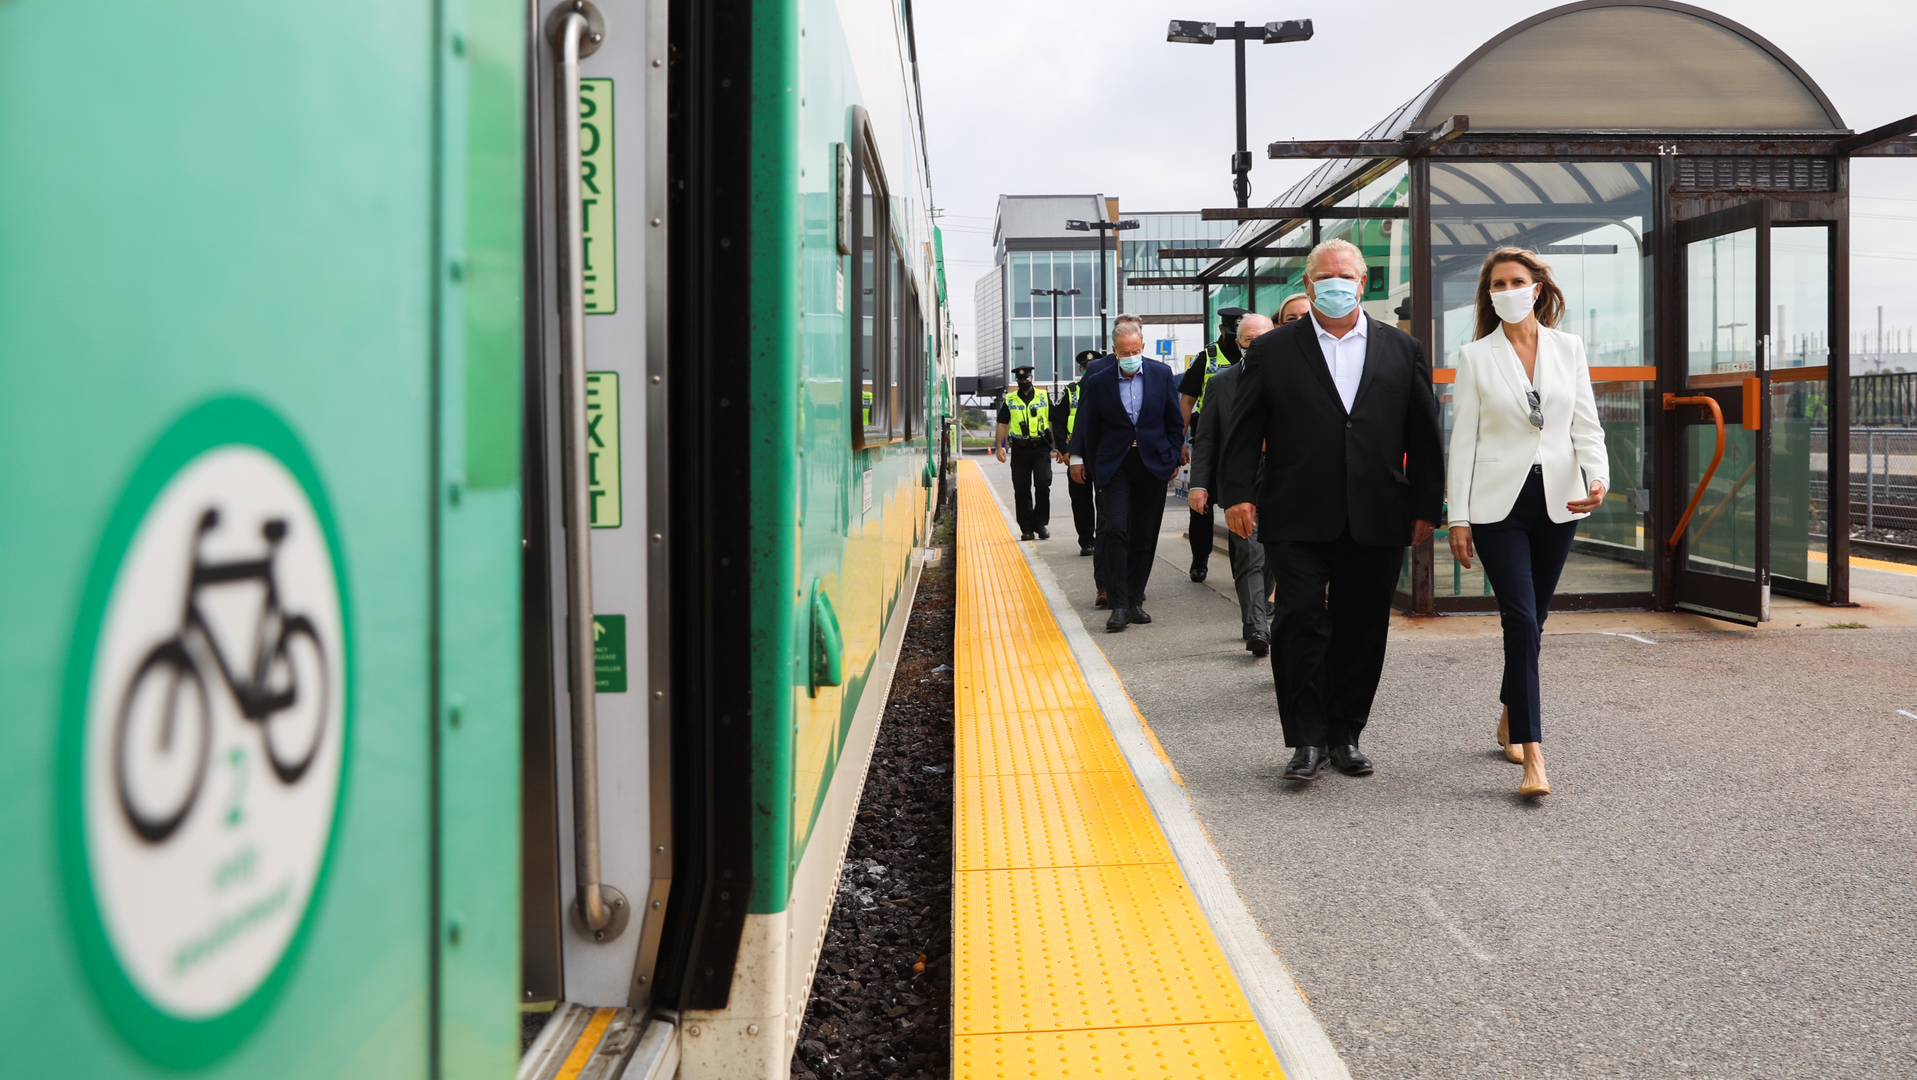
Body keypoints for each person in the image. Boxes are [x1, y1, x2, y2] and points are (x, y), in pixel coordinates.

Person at [1221, 238, 1444, 782]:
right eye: (1326, 276)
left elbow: (1425, 431)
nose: (1337, 284)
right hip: (1296, 511)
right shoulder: (1273, 350)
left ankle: (1346, 733)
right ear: (1308, 283)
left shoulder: (1400, 348)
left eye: (1347, 276)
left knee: (1362, 625)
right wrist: (1237, 495)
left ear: (1364, 284)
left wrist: (1425, 505)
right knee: (1299, 621)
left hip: (1378, 510)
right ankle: (1307, 738)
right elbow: (1245, 427)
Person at [1445, 247, 1608, 798]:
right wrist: (1458, 517)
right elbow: (1463, 440)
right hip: (1497, 505)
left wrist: (1598, 478)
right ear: (1489, 294)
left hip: (1558, 499)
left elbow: (1585, 421)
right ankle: (1533, 756)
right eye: (1497, 283)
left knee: (1534, 621)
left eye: (1516, 280)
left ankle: (1511, 714)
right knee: (1518, 619)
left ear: (1536, 287)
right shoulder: (1475, 356)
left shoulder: (1569, 348)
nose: (1507, 289)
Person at [1070, 324, 1184, 632]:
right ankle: (1117, 605)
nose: (1131, 357)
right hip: (1114, 463)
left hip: (1152, 463)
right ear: (1115, 351)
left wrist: (1173, 453)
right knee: (1115, 529)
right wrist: (1084, 461)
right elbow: (1087, 423)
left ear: (1142, 346)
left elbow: (1174, 420)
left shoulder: (1161, 375)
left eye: (1135, 351)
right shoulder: (1097, 382)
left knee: (1145, 533)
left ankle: (1135, 601)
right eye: (1124, 353)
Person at [1188, 313, 1275, 656]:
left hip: (1283, 480)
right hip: (1241, 481)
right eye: (1250, 340)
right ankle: (1256, 626)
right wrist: (1198, 484)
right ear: (1239, 344)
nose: (1257, 346)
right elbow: (1206, 439)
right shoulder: (1221, 383)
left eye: (1263, 339)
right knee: (1250, 552)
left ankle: (1260, 611)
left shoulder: (1292, 378)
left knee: (1271, 557)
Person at [1178, 307, 1249, 583]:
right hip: (1209, 441)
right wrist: (1179, 441)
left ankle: (1241, 567)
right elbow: (1187, 402)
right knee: (1201, 507)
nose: (1235, 337)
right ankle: (1200, 558)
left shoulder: (1256, 353)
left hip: (1243, 441)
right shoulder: (1206, 358)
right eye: (1230, 331)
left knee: (1240, 504)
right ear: (1222, 330)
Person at [1052, 350, 1103, 557]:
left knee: (1106, 499)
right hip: (1078, 453)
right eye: (1085, 368)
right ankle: (1086, 541)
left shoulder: (1108, 387)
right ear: (1081, 369)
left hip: (1102, 453)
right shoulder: (1071, 391)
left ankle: (1103, 538)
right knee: (1081, 500)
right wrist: (1064, 451)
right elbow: (1058, 421)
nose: (1088, 371)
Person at [995, 364, 1053, 540]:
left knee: (1043, 484)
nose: (1024, 382)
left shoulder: (1043, 395)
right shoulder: (1010, 399)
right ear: (1017, 382)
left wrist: (1060, 447)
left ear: (1032, 379)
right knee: (1021, 489)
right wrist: (999, 446)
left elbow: (1053, 420)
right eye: (1020, 380)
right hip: (1020, 449)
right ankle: (1026, 528)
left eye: (1026, 379)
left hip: (1041, 447)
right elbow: (1003, 424)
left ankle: (1040, 523)